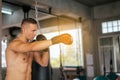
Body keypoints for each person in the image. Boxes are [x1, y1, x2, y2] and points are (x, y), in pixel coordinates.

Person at [5, 18, 73, 80]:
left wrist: (45, 49)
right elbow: (31, 47)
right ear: (23, 29)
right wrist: (56, 40)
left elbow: (44, 63)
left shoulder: (31, 48)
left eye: (36, 31)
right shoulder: (14, 45)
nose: (35, 34)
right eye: (33, 31)